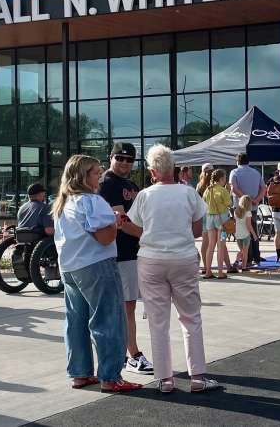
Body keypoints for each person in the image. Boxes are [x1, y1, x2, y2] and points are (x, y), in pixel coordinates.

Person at [130, 143, 222, 394]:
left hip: (151, 259)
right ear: (174, 168)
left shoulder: (144, 195)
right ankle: (198, 377)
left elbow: (138, 227)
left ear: (152, 172)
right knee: (191, 317)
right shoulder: (189, 193)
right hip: (182, 257)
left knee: (158, 321)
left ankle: (165, 379)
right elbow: (196, 230)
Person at [51, 154, 142, 393]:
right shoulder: (92, 201)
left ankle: (80, 373)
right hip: (96, 265)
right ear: (83, 176)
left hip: (70, 267)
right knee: (109, 319)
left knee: (76, 321)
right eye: (94, 172)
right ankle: (111, 376)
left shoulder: (63, 202)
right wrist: (116, 223)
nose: (99, 175)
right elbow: (104, 238)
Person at [97, 142, 154, 377]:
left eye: (129, 159)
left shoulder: (130, 184)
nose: (124, 162)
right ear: (110, 157)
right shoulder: (107, 183)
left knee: (127, 305)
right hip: (119, 253)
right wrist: (149, 235)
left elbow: (141, 215)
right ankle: (133, 355)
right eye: (119, 158)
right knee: (125, 306)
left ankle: (123, 355)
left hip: (133, 253)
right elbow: (121, 221)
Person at [228, 153, 265, 268]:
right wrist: (256, 200)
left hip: (239, 207)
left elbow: (234, 188)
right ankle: (256, 257)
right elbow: (264, 188)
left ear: (237, 162)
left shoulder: (234, 172)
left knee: (242, 232)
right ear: (248, 161)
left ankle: (247, 259)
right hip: (252, 207)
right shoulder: (256, 172)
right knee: (253, 231)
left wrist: (245, 199)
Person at [200, 170, 233, 278]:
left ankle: (208, 271)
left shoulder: (208, 190)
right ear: (221, 179)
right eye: (224, 178)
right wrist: (229, 192)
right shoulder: (222, 191)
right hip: (222, 220)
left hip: (210, 219)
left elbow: (204, 201)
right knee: (221, 245)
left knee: (211, 245)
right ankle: (220, 271)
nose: (225, 181)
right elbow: (229, 204)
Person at [232, 197, 258, 271]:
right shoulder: (248, 212)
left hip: (238, 234)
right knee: (245, 252)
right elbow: (248, 225)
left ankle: (237, 260)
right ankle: (244, 267)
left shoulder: (236, 211)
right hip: (246, 234)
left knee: (241, 251)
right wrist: (254, 234)